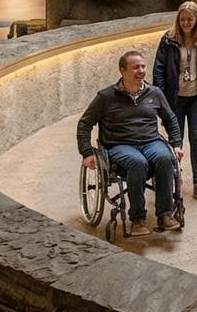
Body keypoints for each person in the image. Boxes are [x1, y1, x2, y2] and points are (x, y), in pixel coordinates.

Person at [77, 51, 184, 236]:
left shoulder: (155, 93)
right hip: (119, 144)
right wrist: (87, 152)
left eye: (143, 66)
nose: (141, 70)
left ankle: (165, 214)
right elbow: (84, 124)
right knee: (138, 162)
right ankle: (137, 219)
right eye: (135, 67)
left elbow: (171, 119)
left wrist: (176, 144)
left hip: (150, 141)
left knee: (166, 158)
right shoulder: (106, 96)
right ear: (122, 70)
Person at [153, 1, 197, 200]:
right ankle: (175, 178)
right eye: (182, 19)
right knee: (176, 140)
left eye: (190, 19)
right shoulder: (168, 40)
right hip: (175, 99)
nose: (186, 23)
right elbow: (159, 69)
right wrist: (159, 97)